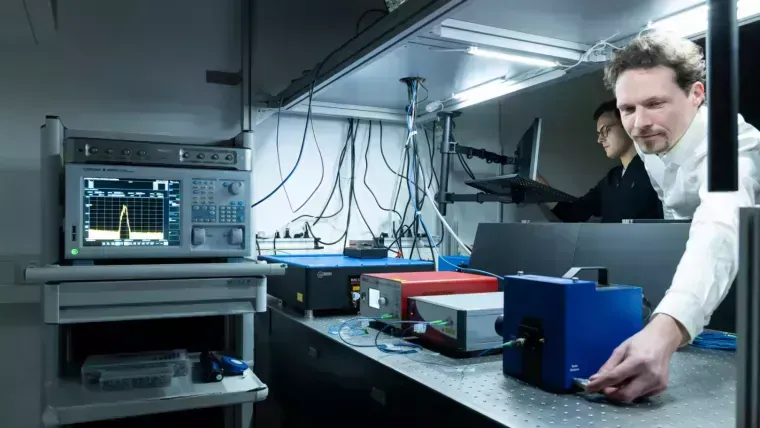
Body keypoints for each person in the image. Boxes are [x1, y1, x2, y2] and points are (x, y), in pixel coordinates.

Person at [585, 32, 760, 402]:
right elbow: (680, 224)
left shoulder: (730, 146)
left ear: (697, 94)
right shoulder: (652, 142)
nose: (639, 123)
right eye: (628, 109)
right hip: (719, 298)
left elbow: (719, 226)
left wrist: (666, 331)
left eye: (655, 103)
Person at [540, 100, 663, 223]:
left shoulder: (653, 169)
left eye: (605, 130)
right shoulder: (612, 178)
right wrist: (537, 184)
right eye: (599, 134)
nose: (600, 139)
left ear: (626, 125)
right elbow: (575, 212)